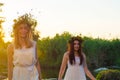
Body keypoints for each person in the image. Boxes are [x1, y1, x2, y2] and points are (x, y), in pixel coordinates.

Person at [7, 14, 42, 80]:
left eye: (25, 28)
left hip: (32, 75)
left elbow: (37, 63)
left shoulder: (34, 44)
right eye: (21, 28)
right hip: (18, 75)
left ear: (28, 30)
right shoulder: (11, 47)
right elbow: (10, 67)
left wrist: (40, 78)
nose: (23, 30)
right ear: (17, 30)